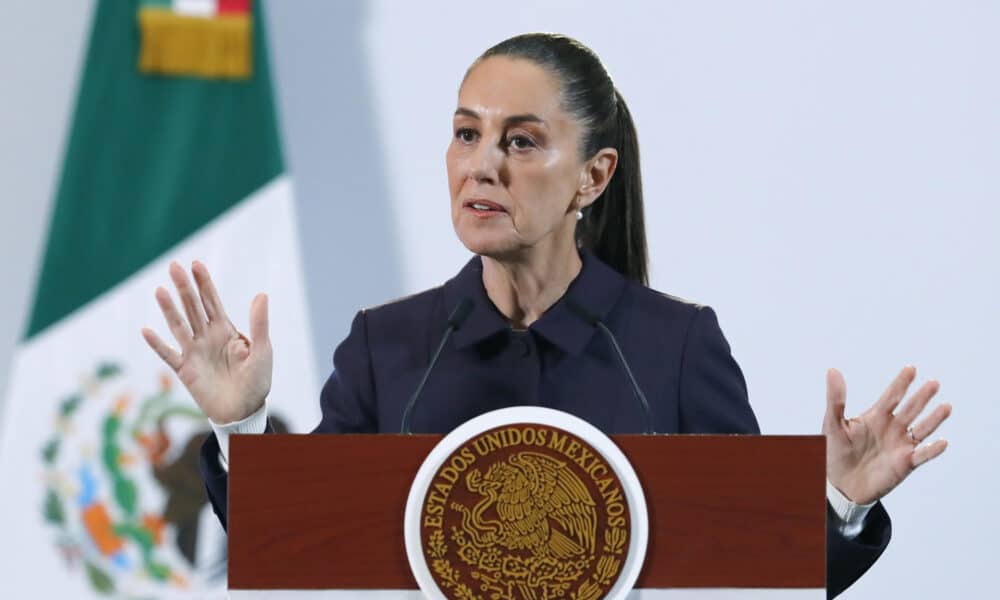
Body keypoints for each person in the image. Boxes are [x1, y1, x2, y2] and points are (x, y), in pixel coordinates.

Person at [141, 34, 951, 598]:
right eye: (466, 134)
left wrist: (838, 500)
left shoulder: (674, 346)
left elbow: (745, 572)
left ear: (593, 178)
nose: (481, 164)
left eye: (521, 142)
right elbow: (301, 555)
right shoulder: (386, 348)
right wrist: (242, 430)